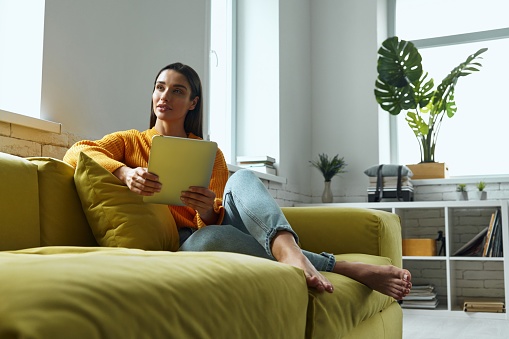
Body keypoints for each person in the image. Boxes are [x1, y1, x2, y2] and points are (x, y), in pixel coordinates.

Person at [64, 62, 412, 299]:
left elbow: (217, 214)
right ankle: (341, 265)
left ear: (192, 103)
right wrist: (125, 173)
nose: (165, 97)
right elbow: (76, 151)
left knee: (242, 178)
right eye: (160, 88)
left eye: (177, 91)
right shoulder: (129, 141)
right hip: (192, 242)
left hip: (218, 225)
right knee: (210, 239)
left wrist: (206, 209)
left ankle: (288, 251)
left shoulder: (209, 154)